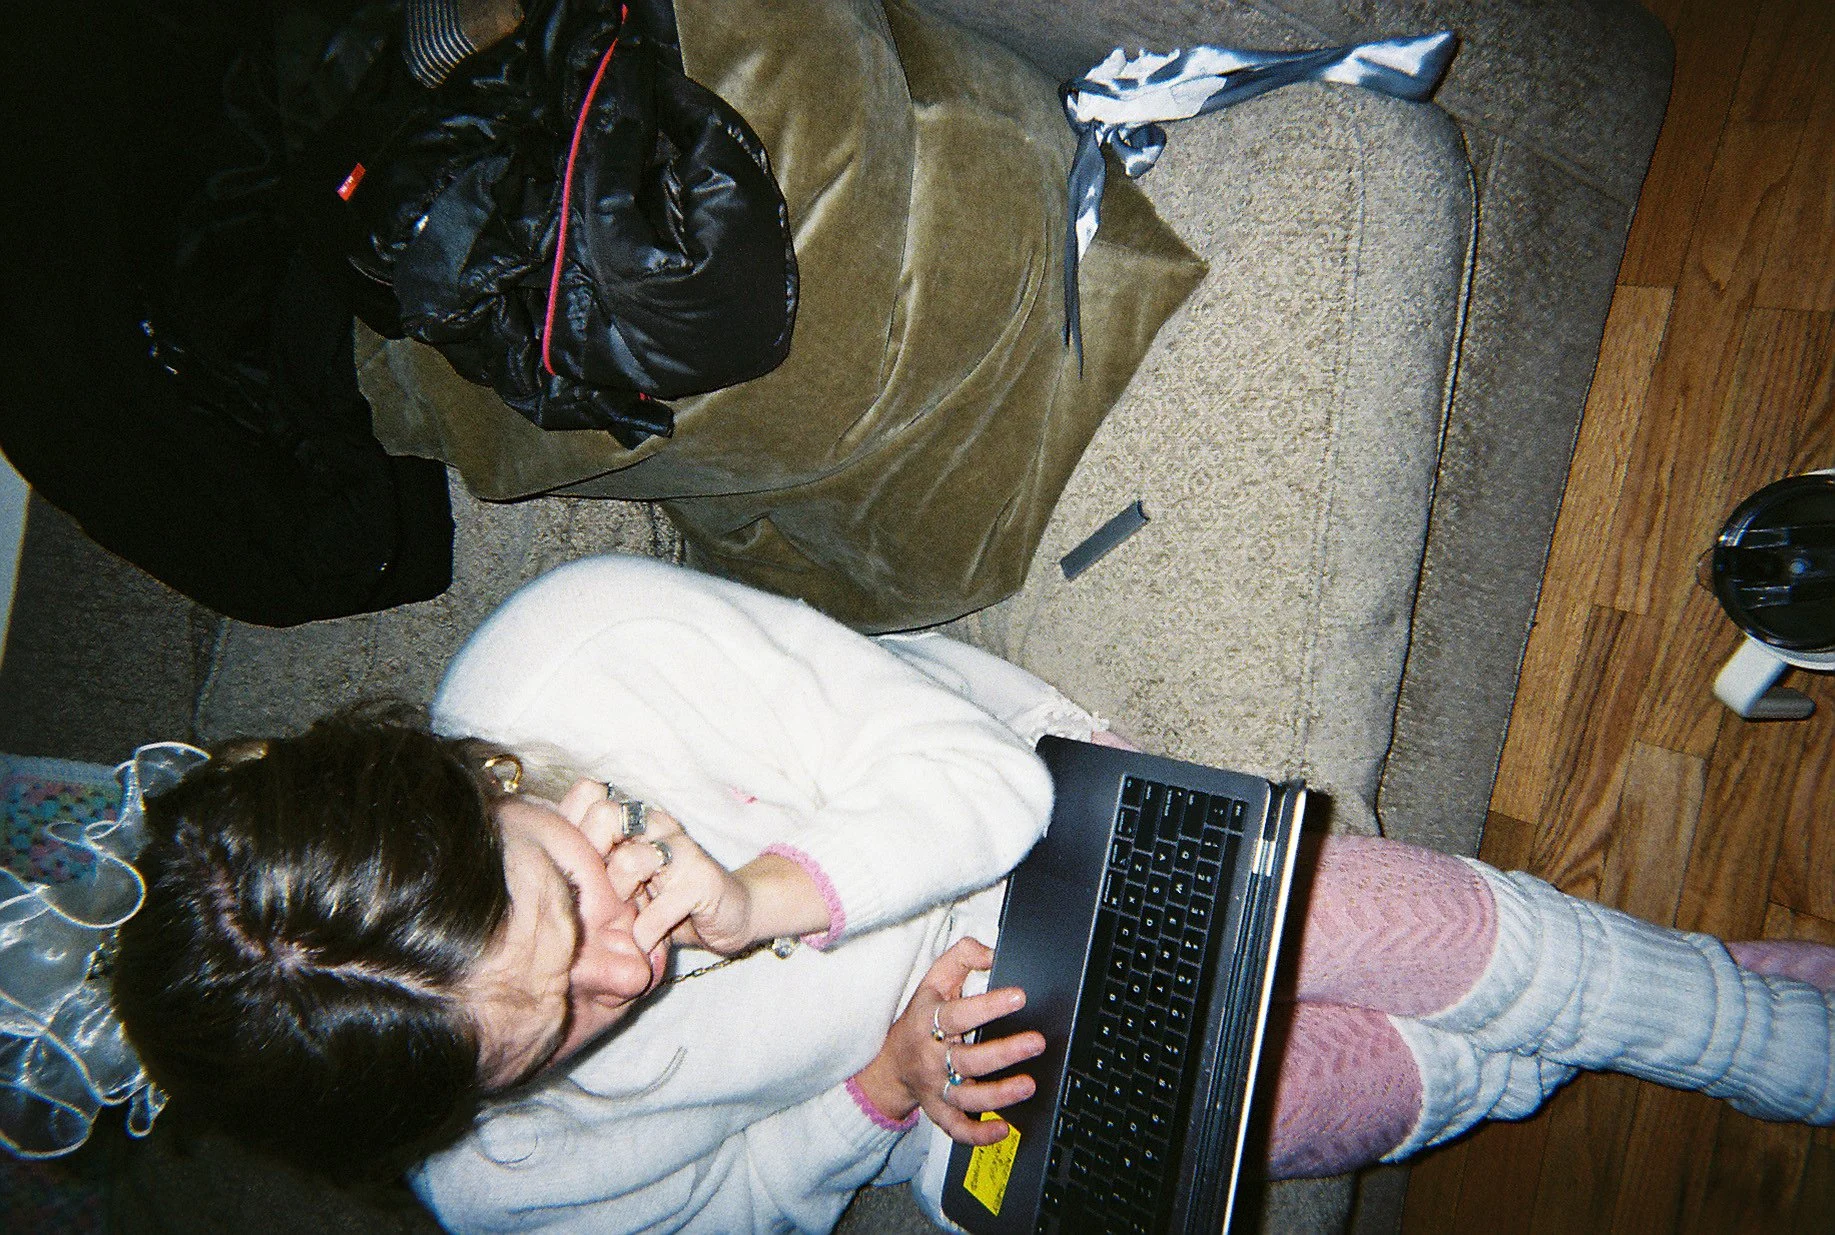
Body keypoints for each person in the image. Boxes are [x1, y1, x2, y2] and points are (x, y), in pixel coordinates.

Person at [33, 555, 1828, 1232]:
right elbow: (724, 1207)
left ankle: (1753, 1030)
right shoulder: (489, 1179)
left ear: (479, 783)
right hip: (939, 1071)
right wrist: (877, 1090)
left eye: (570, 897)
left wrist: (759, 893)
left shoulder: (579, 651)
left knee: (1410, 937)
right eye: (547, 1037)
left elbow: (975, 790)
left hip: (1014, 815)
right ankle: (1666, 1003)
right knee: (1360, 1097)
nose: (624, 972)